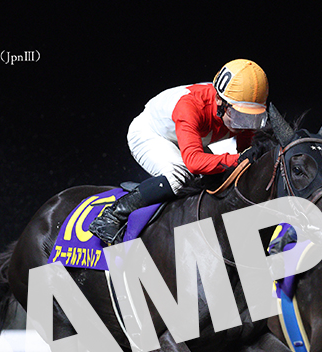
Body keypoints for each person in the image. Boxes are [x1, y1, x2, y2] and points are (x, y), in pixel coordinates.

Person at [90, 59, 269, 244]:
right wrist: (238, 159)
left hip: (191, 137)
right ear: (218, 100)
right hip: (151, 133)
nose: (244, 125)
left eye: (251, 118)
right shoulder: (190, 106)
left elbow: (245, 154)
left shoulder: (236, 106)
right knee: (180, 176)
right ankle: (112, 215)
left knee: (221, 173)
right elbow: (194, 162)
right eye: (239, 115)